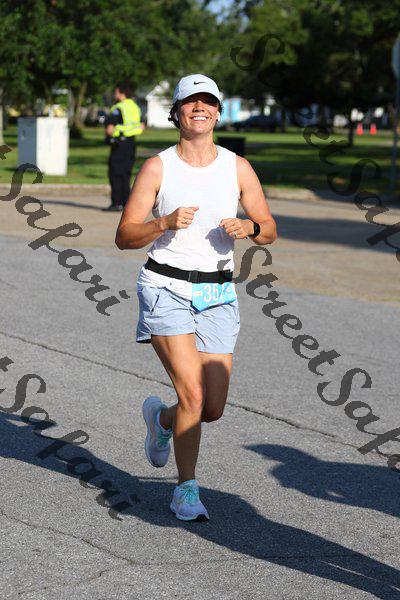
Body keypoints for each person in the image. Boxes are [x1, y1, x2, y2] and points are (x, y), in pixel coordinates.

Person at [115, 74, 277, 521]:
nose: (199, 108)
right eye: (191, 102)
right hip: (166, 285)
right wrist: (163, 223)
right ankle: (185, 490)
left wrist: (250, 227)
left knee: (212, 407)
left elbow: (269, 228)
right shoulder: (158, 167)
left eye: (208, 102)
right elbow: (125, 236)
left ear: (218, 112)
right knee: (191, 392)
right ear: (177, 112)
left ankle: (162, 421)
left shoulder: (237, 167)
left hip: (217, 290)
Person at [103, 83, 144, 212]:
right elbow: (142, 125)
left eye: (116, 92)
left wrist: (110, 135)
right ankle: (126, 203)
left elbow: (110, 128)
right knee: (126, 174)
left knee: (115, 173)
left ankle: (116, 203)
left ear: (121, 93)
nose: (114, 94)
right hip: (131, 143)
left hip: (119, 143)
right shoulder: (135, 107)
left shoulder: (118, 108)